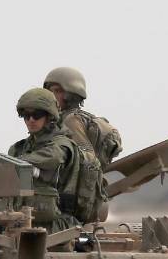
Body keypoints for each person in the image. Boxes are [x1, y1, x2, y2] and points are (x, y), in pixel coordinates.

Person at [43, 67, 122, 223]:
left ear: (70, 94)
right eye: (49, 91)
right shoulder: (61, 120)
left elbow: (86, 163)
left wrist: (71, 205)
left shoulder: (71, 120)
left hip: (75, 205)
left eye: (57, 91)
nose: (52, 96)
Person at [5, 87, 81, 232]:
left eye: (37, 115)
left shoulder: (62, 145)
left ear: (49, 116)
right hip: (21, 220)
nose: (31, 120)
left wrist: (7, 164)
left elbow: (52, 157)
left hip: (59, 225)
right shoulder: (19, 148)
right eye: (26, 116)